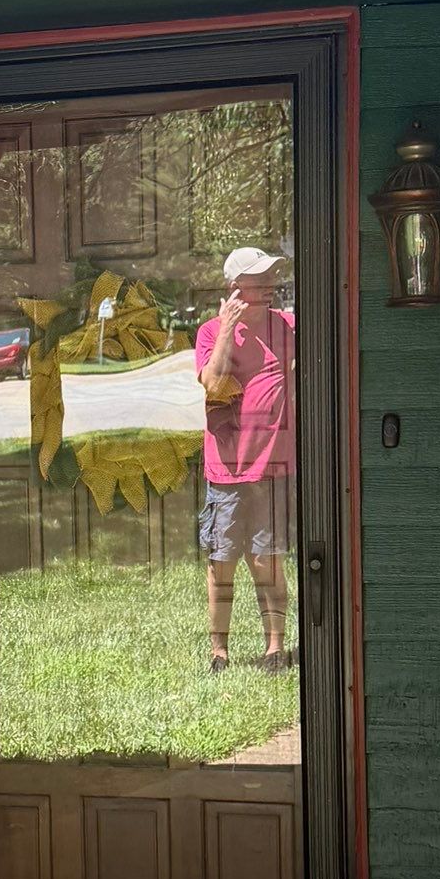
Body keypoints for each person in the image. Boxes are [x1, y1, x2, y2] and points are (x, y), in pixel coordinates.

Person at [193, 246, 295, 677]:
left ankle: (275, 647)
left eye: (271, 276)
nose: (269, 285)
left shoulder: (288, 326)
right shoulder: (209, 332)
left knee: (267, 560)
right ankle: (220, 652)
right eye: (259, 280)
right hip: (227, 470)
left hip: (273, 468)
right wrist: (226, 331)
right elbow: (214, 384)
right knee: (222, 562)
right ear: (236, 289)